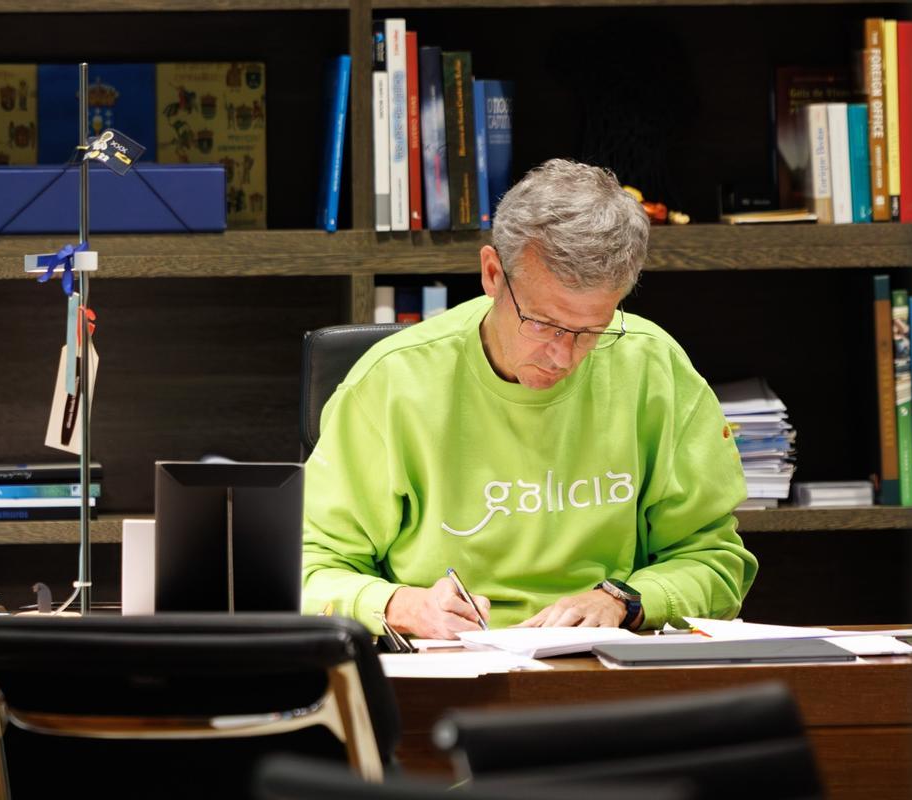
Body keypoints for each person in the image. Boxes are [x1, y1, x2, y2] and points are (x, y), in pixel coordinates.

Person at [303, 159, 757, 639]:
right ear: (493, 274)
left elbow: (716, 563)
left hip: (606, 666)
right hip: (447, 665)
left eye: (590, 331)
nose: (562, 355)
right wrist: (398, 604)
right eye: (541, 323)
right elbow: (305, 568)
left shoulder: (653, 369)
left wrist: (625, 602)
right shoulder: (392, 381)